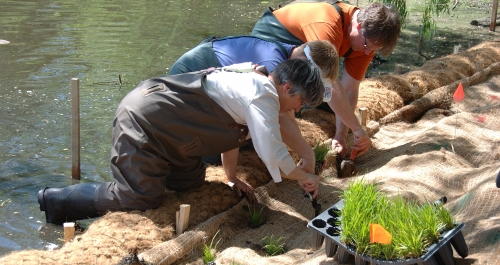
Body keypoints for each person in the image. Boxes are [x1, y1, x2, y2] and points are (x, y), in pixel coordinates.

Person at [37, 59, 325, 224]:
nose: (297, 109)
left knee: (189, 186)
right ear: (287, 87)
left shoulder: (256, 82)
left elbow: (232, 133)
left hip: (175, 135)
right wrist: (304, 176)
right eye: (300, 101)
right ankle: (55, 200)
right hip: (145, 121)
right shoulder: (262, 93)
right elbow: (272, 155)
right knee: (139, 198)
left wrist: (232, 177)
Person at [251, 1, 402, 157]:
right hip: (270, 44)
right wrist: (357, 129)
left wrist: (342, 135)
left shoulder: (365, 44)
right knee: (276, 105)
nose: (367, 53)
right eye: (366, 46)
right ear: (359, 26)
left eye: (372, 50)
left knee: (321, 102)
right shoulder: (327, 22)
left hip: (304, 58)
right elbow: (329, 82)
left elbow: (349, 90)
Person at [170, 36, 339, 168]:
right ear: (304, 65)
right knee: (214, 155)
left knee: (248, 138)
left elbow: (288, 116)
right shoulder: (273, 66)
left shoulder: (288, 70)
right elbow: (278, 119)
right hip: (191, 76)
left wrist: (303, 153)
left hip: (217, 86)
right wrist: (306, 155)